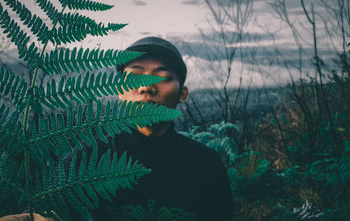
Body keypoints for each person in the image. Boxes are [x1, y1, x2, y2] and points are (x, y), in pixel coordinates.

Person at [1, 36, 233, 221]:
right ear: (121, 90)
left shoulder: (207, 164)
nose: (146, 87)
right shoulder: (89, 155)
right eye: (135, 76)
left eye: (163, 77)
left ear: (182, 94)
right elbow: (50, 210)